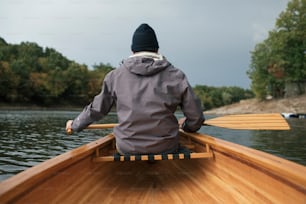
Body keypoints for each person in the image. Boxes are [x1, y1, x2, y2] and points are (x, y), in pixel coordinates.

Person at [66, 23, 204, 155]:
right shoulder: (176, 75)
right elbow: (196, 118)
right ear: (156, 49)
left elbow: (97, 109)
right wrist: (186, 126)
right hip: (166, 147)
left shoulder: (114, 76)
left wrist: (75, 124)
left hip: (127, 147)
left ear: (133, 50)